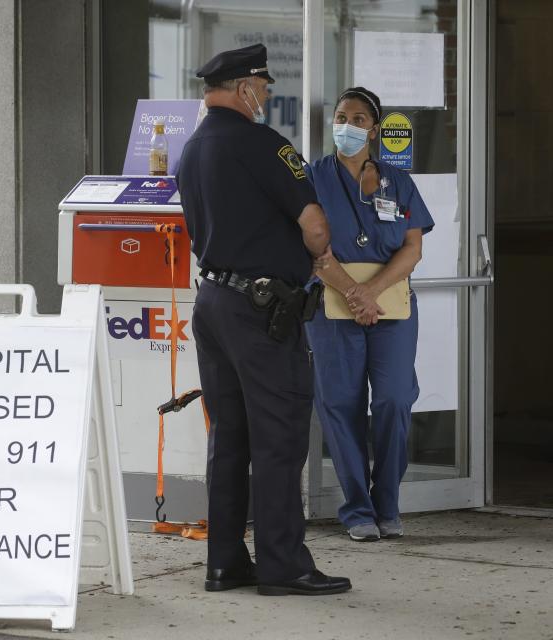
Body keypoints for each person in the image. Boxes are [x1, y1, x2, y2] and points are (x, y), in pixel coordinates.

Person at [177, 43, 351, 596]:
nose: (267, 94)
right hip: (261, 311)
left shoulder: (192, 149)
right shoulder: (262, 144)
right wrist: (320, 258)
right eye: (262, 84)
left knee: (230, 436)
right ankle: (283, 565)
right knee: (278, 437)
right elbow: (315, 224)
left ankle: (225, 562)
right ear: (242, 87)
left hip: (214, 302)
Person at [303, 87, 434, 542]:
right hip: (331, 302)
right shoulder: (311, 177)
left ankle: (387, 503)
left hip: (391, 305)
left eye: (359, 119)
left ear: (374, 129)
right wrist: (352, 292)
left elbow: (413, 246)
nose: (348, 125)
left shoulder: (399, 182)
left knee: (395, 399)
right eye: (341, 116)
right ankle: (357, 508)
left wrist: (371, 291)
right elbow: (310, 245)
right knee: (341, 404)